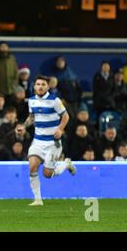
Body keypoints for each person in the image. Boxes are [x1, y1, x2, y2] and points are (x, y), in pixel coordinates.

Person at [24, 75, 75, 206]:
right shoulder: (31, 100)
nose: (40, 87)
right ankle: (38, 199)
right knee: (32, 167)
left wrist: (60, 129)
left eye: (43, 84)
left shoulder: (55, 101)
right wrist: (23, 126)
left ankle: (66, 164)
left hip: (53, 143)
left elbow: (66, 116)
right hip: (38, 141)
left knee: (47, 174)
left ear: (48, 86)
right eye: (38, 84)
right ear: (34, 86)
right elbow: (32, 117)